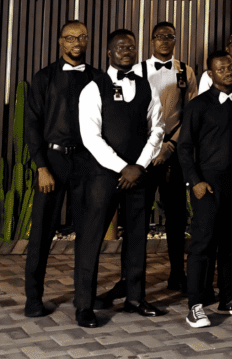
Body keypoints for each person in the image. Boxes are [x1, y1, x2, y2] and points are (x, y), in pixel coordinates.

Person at [74, 29, 164, 328]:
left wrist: (138, 165)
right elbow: (90, 136)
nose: (127, 51)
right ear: (109, 53)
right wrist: (121, 166)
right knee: (91, 238)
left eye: (131, 47)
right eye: (120, 47)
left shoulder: (146, 87)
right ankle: (84, 305)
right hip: (103, 175)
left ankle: (135, 298)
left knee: (137, 236)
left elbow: (158, 129)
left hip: (138, 174)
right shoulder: (92, 87)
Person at [24, 20, 103, 318]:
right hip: (53, 162)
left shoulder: (99, 78)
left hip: (88, 162)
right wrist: (41, 167)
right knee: (41, 233)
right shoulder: (44, 77)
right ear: (60, 41)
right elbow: (32, 125)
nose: (77, 43)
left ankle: (85, 305)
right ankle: (33, 299)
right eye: (70, 37)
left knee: (88, 234)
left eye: (82, 37)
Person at [179, 50, 232, 327]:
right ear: (211, 75)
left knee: (231, 243)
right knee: (202, 244)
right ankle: (195, 305)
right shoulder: (197, 105)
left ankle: (228, 299)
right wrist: (195, 181)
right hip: (206, 184)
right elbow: (185, 147)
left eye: (230, 67)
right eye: (221, 68)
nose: (228, 71)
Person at [135, 22, 198, 290]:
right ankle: (134, 276)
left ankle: (177, 273)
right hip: (143, 153)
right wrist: (151, 148)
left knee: (175, 216)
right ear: (151, 40)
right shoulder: (138, 70)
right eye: (159, 36)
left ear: (175, 40)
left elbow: (191, 112)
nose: (164, 41)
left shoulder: (186, 71)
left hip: (173, 151)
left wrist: (170, 145)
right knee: (137, 215)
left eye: (169, 37)